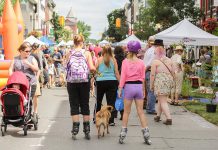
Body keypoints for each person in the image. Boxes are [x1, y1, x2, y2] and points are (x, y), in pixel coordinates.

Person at [118, 41, 151, 145]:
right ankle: (146, 134)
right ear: (138, 50)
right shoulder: (141, 62)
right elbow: (143, 78)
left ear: (128, 50)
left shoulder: (125, 62)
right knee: (140, 112)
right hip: (138, 87)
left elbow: (123, 76)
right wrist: (144, 90)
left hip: (128, 87)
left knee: (126, 112)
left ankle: (123, 133)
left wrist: (120, 89)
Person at [65, 34, 95, 140]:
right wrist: (95, 71)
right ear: (82, 42)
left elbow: (66, 67)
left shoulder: (69, 53)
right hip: (84, 81)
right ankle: (86, 130)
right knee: (85, 104)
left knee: (74, 104)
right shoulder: (87, 53)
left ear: (74, 42)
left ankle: (75, 129)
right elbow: (91, 68)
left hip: (72, 82)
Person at [9, 42, 39, 120]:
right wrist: (11, 77)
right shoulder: (15, 59)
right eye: (26, 51)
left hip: (30, 83)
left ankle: (27, 116)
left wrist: (29, 64)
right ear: (21, 51)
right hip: (18, 83)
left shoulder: (32, 58)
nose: (28, 53)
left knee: (28, 101)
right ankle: (15, 114)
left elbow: (37, 69)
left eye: (29, 51)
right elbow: (10, 69)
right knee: (16, 99)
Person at [150, 39, 174, 125]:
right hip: (169, 80)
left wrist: (151, 85)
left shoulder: (155, 62)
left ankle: (169, 118)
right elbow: (173, 72)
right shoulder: (169, 60)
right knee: (161, 99)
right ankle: (158, 116)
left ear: (156, 53)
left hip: (160, 81)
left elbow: (152, 75)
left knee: (163, 100)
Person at [95, 45, 120, 126]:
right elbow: (116, 72)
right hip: (112, 81)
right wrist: (120, 83)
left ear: (103, 51)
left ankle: (97, 118)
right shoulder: (113, 60)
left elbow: (95, 71)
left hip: (100, 82)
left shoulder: (99, 59)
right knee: (111, 102)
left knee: (98, 101)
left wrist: (100, 75)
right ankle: (111, 120)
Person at [143, 36, 157, 114]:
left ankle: (149, 107)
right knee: (152, 90)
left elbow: (145, 62)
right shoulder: (153, 51)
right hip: (150, 71)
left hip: (147, 71)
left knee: (149, 90)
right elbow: (150, 63)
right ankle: (151, 108)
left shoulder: (148, 50)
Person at [114, 46, 125, 120]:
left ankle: (114, 113)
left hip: (114, 78)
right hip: (123, 79)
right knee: (121, 97)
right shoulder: (124, 59)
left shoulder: (113, 59)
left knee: (114, 97)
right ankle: (122, 114)